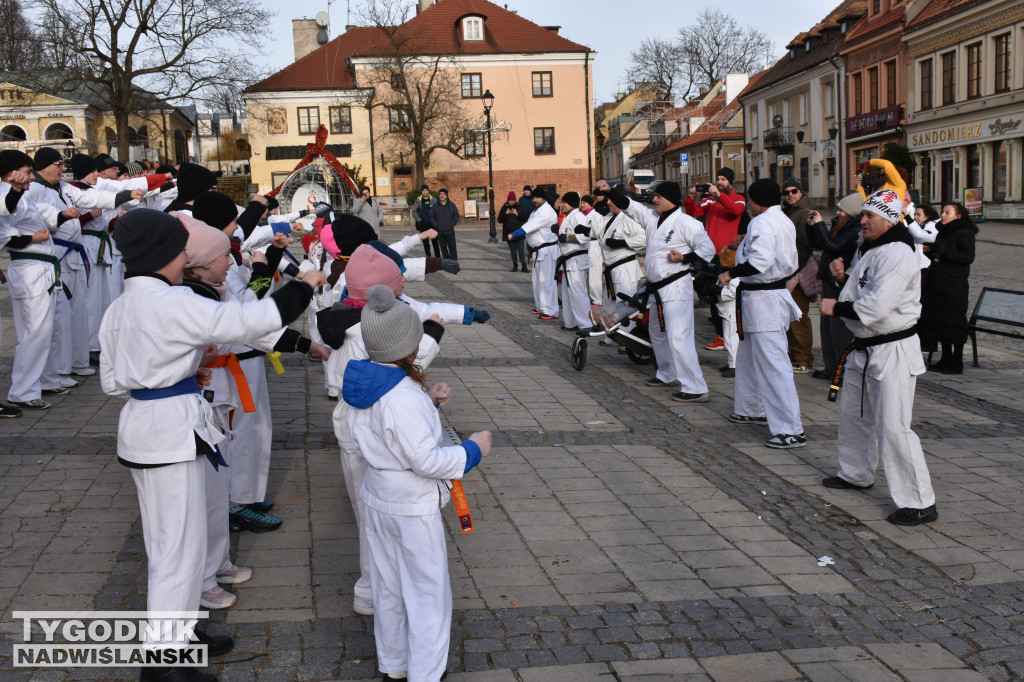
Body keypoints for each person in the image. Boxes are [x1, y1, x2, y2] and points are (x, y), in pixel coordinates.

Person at [99, 208, 325, 682]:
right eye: (181, 248)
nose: (187, 255)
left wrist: (174, 375)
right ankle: (164, 662)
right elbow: (252, 320)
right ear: (166, 253)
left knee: (177, 542)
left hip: (147, 425)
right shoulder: (171, 302)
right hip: (168, 434)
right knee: (176, 549)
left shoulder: (122, 304)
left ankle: (180, 635)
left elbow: (113, 383)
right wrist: (303, 283)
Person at [343, 284, 491, 682]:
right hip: (410, 505)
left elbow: (386, 433)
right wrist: (472, 451)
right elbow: (424, 459)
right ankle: (426, 672)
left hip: (378, 496)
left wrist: (431, 401)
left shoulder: (367, 383)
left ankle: (394, 663)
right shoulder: (402, 397)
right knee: (427, 591)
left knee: (388, 587)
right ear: (409, 344)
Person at [819, 189, 937, 526]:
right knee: (854, 414)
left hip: (893, 349)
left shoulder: (898, 254)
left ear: (888, 219)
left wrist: (835, 306)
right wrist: (843, 278)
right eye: (864, 215)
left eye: (870, 216)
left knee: (894, 426)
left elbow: (876, 306)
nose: (863, 221)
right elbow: (862, 293)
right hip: (865, 345)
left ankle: (919, 500)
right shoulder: (870, 248)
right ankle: (856, 472)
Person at [602, 180, 716, 402]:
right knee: (658, 334)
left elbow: (708, 249)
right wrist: (610, 191)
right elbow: (629, 205)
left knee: (678, 336)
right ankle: (666, 373)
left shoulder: (687, 223)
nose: (654, 200)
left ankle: (696, 387)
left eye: (658, 197)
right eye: (654, 196)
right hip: (656, 289)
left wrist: (684, 257)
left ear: (670, 199)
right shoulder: (653, 219)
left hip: (676, 287)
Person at [719, 178, 805, 448]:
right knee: (747, 358)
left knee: (773, 366)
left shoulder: (763, 222)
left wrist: (730, 272)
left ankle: (791, 429)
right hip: (760, 298)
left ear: (756, 201)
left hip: (765, 298)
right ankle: (751, 408)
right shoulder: (780, 220)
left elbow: (759, 262)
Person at [0, 150, 76, 411]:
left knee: (48, 331)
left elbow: (43, 213)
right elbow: (4, 238)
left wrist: (64, 215)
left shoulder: (22, 196)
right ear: (11, 173)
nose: (32, 177)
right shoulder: (4, 193)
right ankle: (23, 390)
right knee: (35, 333)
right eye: (28, 171)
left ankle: (45, 380)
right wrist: (33, 239)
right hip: (30, 269)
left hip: (41, 269)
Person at [806, 193, 861, 381]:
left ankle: (842, 371)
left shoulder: (854, 229)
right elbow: (821, 244)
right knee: (826, 330)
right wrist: (812, 227)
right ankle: (831, 368)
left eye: (841, 209)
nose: (837, 212)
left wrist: (821, 225)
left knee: (839, 333)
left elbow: (834, 246)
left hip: (840, 282)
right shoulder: (842, 223)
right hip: (829, 280)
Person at [919, 202, 978, 374]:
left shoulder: (964, 232)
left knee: (954, 320)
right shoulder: (944, 231)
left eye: (947, 212)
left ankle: (956, 361)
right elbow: (941, 253)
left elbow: (967, 257)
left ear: (958, 216)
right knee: (940, 320)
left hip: (954, 285)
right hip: (939, 283)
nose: (943, 215)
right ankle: (945, 358)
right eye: (943, 212)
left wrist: (942, 250)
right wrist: (930, 251)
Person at [693, 168, 746, 351]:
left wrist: (720, 196)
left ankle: (730, 335)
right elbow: (694, 213)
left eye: (723, 179)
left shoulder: (737, 198)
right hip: (711, 255)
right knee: (713, 296)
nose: (720, 182)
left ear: (730, 181)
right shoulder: (710, 201)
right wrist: (692, 198)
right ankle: (720, 335)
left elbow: (736, 210)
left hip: (728, 257)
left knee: (726, 298)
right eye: (718, 179)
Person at [590, 189, 645, 332]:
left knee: (625, 303)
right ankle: (611, 335)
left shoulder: (630, 219)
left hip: (624, 267)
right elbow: (597, 230)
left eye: (611, 201)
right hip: (611, 268)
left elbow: (643, 238)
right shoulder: (610, 216)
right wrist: (585, 230)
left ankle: (629, 335)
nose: (608, 203)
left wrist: (622, 242)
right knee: (610, 304)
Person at [780, 177, 815, 374]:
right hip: (789, 273)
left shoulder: (803, 213)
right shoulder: (788, 212)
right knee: (790, 319)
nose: (790, 195)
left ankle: (803, 359)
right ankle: (794, 356)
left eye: (794, 191)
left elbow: (803, 246)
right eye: (787, 192)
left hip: (797, 274)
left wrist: (793, 274)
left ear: (801, 192)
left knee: (798, 317)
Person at [508, 188, 559, 320]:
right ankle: (541, 306)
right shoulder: (536, 210)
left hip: (547, 250)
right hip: (537, 251)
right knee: (537, 281)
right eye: (533, 197)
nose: (534, 200)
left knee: (546, 281)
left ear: (544, 198)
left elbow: (531, 226)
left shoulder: (547, 211)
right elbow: (529, 223)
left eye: (537, 198)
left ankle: (551, 310)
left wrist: (515, 234)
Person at [554, 192, 593, 331]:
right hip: (568, 259)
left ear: (570, 203)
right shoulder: (568, 217)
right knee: (567, 293)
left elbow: (586, 236)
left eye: (563, 202)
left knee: (577, 293)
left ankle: (586, 323)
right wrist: (559, 233)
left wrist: (567, 238)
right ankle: (571, 322)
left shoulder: (578, 216)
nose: (561, 205)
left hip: (576, 259)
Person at [498, 191, 528, 272]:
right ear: (507, 200)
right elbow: (499, 220)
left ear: (515, 200)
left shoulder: (519, 207)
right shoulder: (504, 208)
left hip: (519, 233)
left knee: (521, 250)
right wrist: (505, 213)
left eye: (512, 200)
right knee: (513, 251)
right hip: (509, 233)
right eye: (510, 200)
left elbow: (525, 217)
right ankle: (515, 265)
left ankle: (524, 266)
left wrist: (517, 213)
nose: (511, 202)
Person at [411, 185, 440, 257]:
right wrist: (419, 220)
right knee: (425, 242)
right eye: (424, 191)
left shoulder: (434, 200)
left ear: (428, 191)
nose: (425, 192)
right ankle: (429, 257)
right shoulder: (418, 200)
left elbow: (438, 210)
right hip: (423, 224)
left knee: (435, 242)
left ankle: (438, 257)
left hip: (433, 224)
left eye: (426, 190)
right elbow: (414, 211)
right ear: (422, 192)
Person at [431, 188, 460, 260]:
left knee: (452, 248)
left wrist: (452, 224)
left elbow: (456, 215)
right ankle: (447, 263)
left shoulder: (452, 205)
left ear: (446, 196)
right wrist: (436, 225)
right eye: (440, 194)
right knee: (443, 249)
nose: (442, 195)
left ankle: (453, 262)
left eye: (443, 194)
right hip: (440, 232)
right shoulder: (435, 206)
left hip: (450, 231)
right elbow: (432, 217)